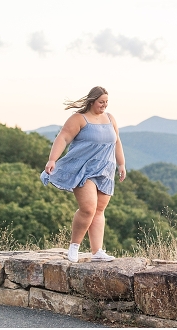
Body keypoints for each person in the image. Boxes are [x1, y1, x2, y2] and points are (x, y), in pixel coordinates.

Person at [40, 86, 127, 263]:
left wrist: (121, 164)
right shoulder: (79, 119)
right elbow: (63, 138)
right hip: (83, 169)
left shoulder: (110, 118)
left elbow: (117, 142)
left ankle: (97, 252)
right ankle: (74, 246)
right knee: (88, 209)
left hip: (105, 170)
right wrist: (52, 160)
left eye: (106, 102)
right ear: (92, 101)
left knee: (99, 210)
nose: (104, 105)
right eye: (101, 102)